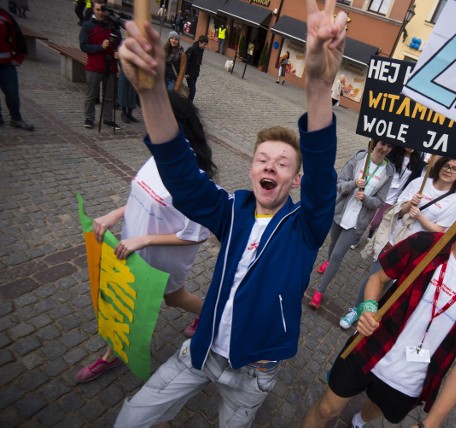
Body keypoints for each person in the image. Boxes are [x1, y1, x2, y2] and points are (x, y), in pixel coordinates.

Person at [113, 1, 346, 425]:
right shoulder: (231, 211)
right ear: (252, 169)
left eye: (282, 163)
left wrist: (317, 85)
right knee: (130, 418)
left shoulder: (305, 226)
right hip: (199, 352)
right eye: (262, 159)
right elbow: (182, 177)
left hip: (254, 372)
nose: (270, 166)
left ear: (295, 180)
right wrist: (150, 92)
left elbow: (322, 169)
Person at [302, 174, 456, 428]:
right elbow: (378, 278)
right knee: (326, 409)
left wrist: (432, 423)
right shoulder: (424, 244)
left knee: (376, 408)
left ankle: (360, 419)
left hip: (411, 382)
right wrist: (369, 307)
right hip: (368, 347)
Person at [74, 92, 216, 383]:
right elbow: (141, 198)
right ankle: (111, 356)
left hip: (162, 259)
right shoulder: (159, 157)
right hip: (132, 251)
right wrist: (112, 216)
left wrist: (146, 240)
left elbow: (196, 235)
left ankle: (211, 318)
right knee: (126, 302)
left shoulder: (193, 176)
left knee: (173, 299)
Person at [339, 155, 456, 329]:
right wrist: (409, 205)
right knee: (374, 278)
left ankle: (372, 319)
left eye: (454, 168)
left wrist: (420, 217)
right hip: (394, 242)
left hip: (416, 252)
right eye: (446, 165)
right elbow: (396, 211)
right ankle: (356, 310)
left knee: (394, 287)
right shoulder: (420, 183)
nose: (449, 170)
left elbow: (441, 232)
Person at [310, 140, 395, 309]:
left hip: (357, 222)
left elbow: (379, 202)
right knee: (332, 245)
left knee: (337, 256)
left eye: (389, 146)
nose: (384, 149)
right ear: (374, 143)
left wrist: (366, 199)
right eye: (382, 144)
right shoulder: (359, 158)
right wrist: (354, 184)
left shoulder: (388, 171)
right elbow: (339, 184)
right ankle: (327, 262)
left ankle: (319, 291)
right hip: (340, 212)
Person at [365, 146, 426, 241]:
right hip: (380, 191)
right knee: (366, 216)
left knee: (376, 221)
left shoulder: (418, 163)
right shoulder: (392, 155)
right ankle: (356, 237)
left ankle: (371, 231)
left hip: (393, 197)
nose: (410, 147)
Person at [79, 0, 121, 130]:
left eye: (103, 10)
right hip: (95, 66)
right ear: (93, 10)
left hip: (111, 67)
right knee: (91, 94)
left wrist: (118, 52)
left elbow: (120, 43)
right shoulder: (88, 26)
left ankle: (107, 118)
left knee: (109, 96)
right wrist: (100, 47)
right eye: (98, 10)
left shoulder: (112, 26)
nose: (100, 12)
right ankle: (89, 117)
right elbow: (84, 46)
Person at [0, 7, 34, 131]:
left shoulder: (5, 17)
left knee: (12, 93)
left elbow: (18, 38)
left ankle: (16, 118)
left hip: (6, 64)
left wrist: (18, 58)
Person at [184, 35, 207, 102]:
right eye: (204, 44)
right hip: (190, 73)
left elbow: (198, 59)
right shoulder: (192, 49)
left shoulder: (201, 49)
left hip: (195, 72)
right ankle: (189, 105)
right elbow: (186, 61)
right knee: (192, 90)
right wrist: (186, 73)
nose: (205, 46)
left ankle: (187, 103)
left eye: (206, 45)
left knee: (191, 90)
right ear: (200, 42)